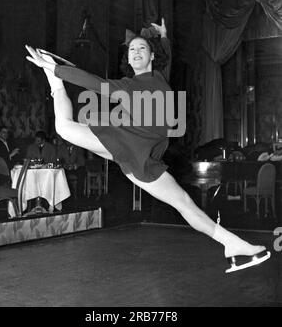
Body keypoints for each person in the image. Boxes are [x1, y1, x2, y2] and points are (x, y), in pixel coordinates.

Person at [25, 18, 270, 273]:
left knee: (184, 202)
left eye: (142, 48)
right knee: (63, 127)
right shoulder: (127, 86)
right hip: (123, 141)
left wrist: (164, 37)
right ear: (129, 60)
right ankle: (53, 80)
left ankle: (232, 244)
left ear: (152, 56)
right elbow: (93, 82)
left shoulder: (160, 78)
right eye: (132, 50)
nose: (137, 52)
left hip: (143, 159)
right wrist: (55, 70)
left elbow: (168, 58)